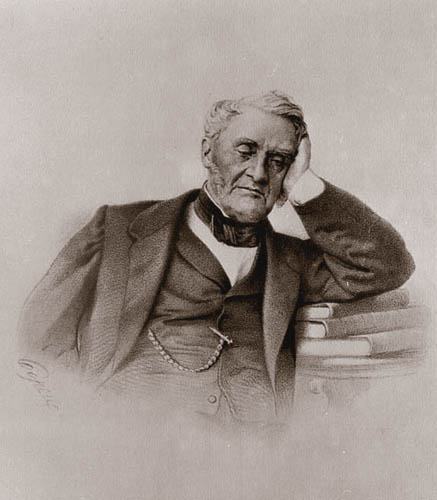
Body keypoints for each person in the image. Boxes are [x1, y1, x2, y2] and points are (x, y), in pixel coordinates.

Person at [18, 91, 415, 424]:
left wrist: (304, 186)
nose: (259, 173)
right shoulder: (119, 232)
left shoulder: (293, 261)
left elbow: (388, 265)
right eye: (245, 151)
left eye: (278, 161)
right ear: (208, 152)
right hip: (132, 446)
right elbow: (35, 346)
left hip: (255, 459)